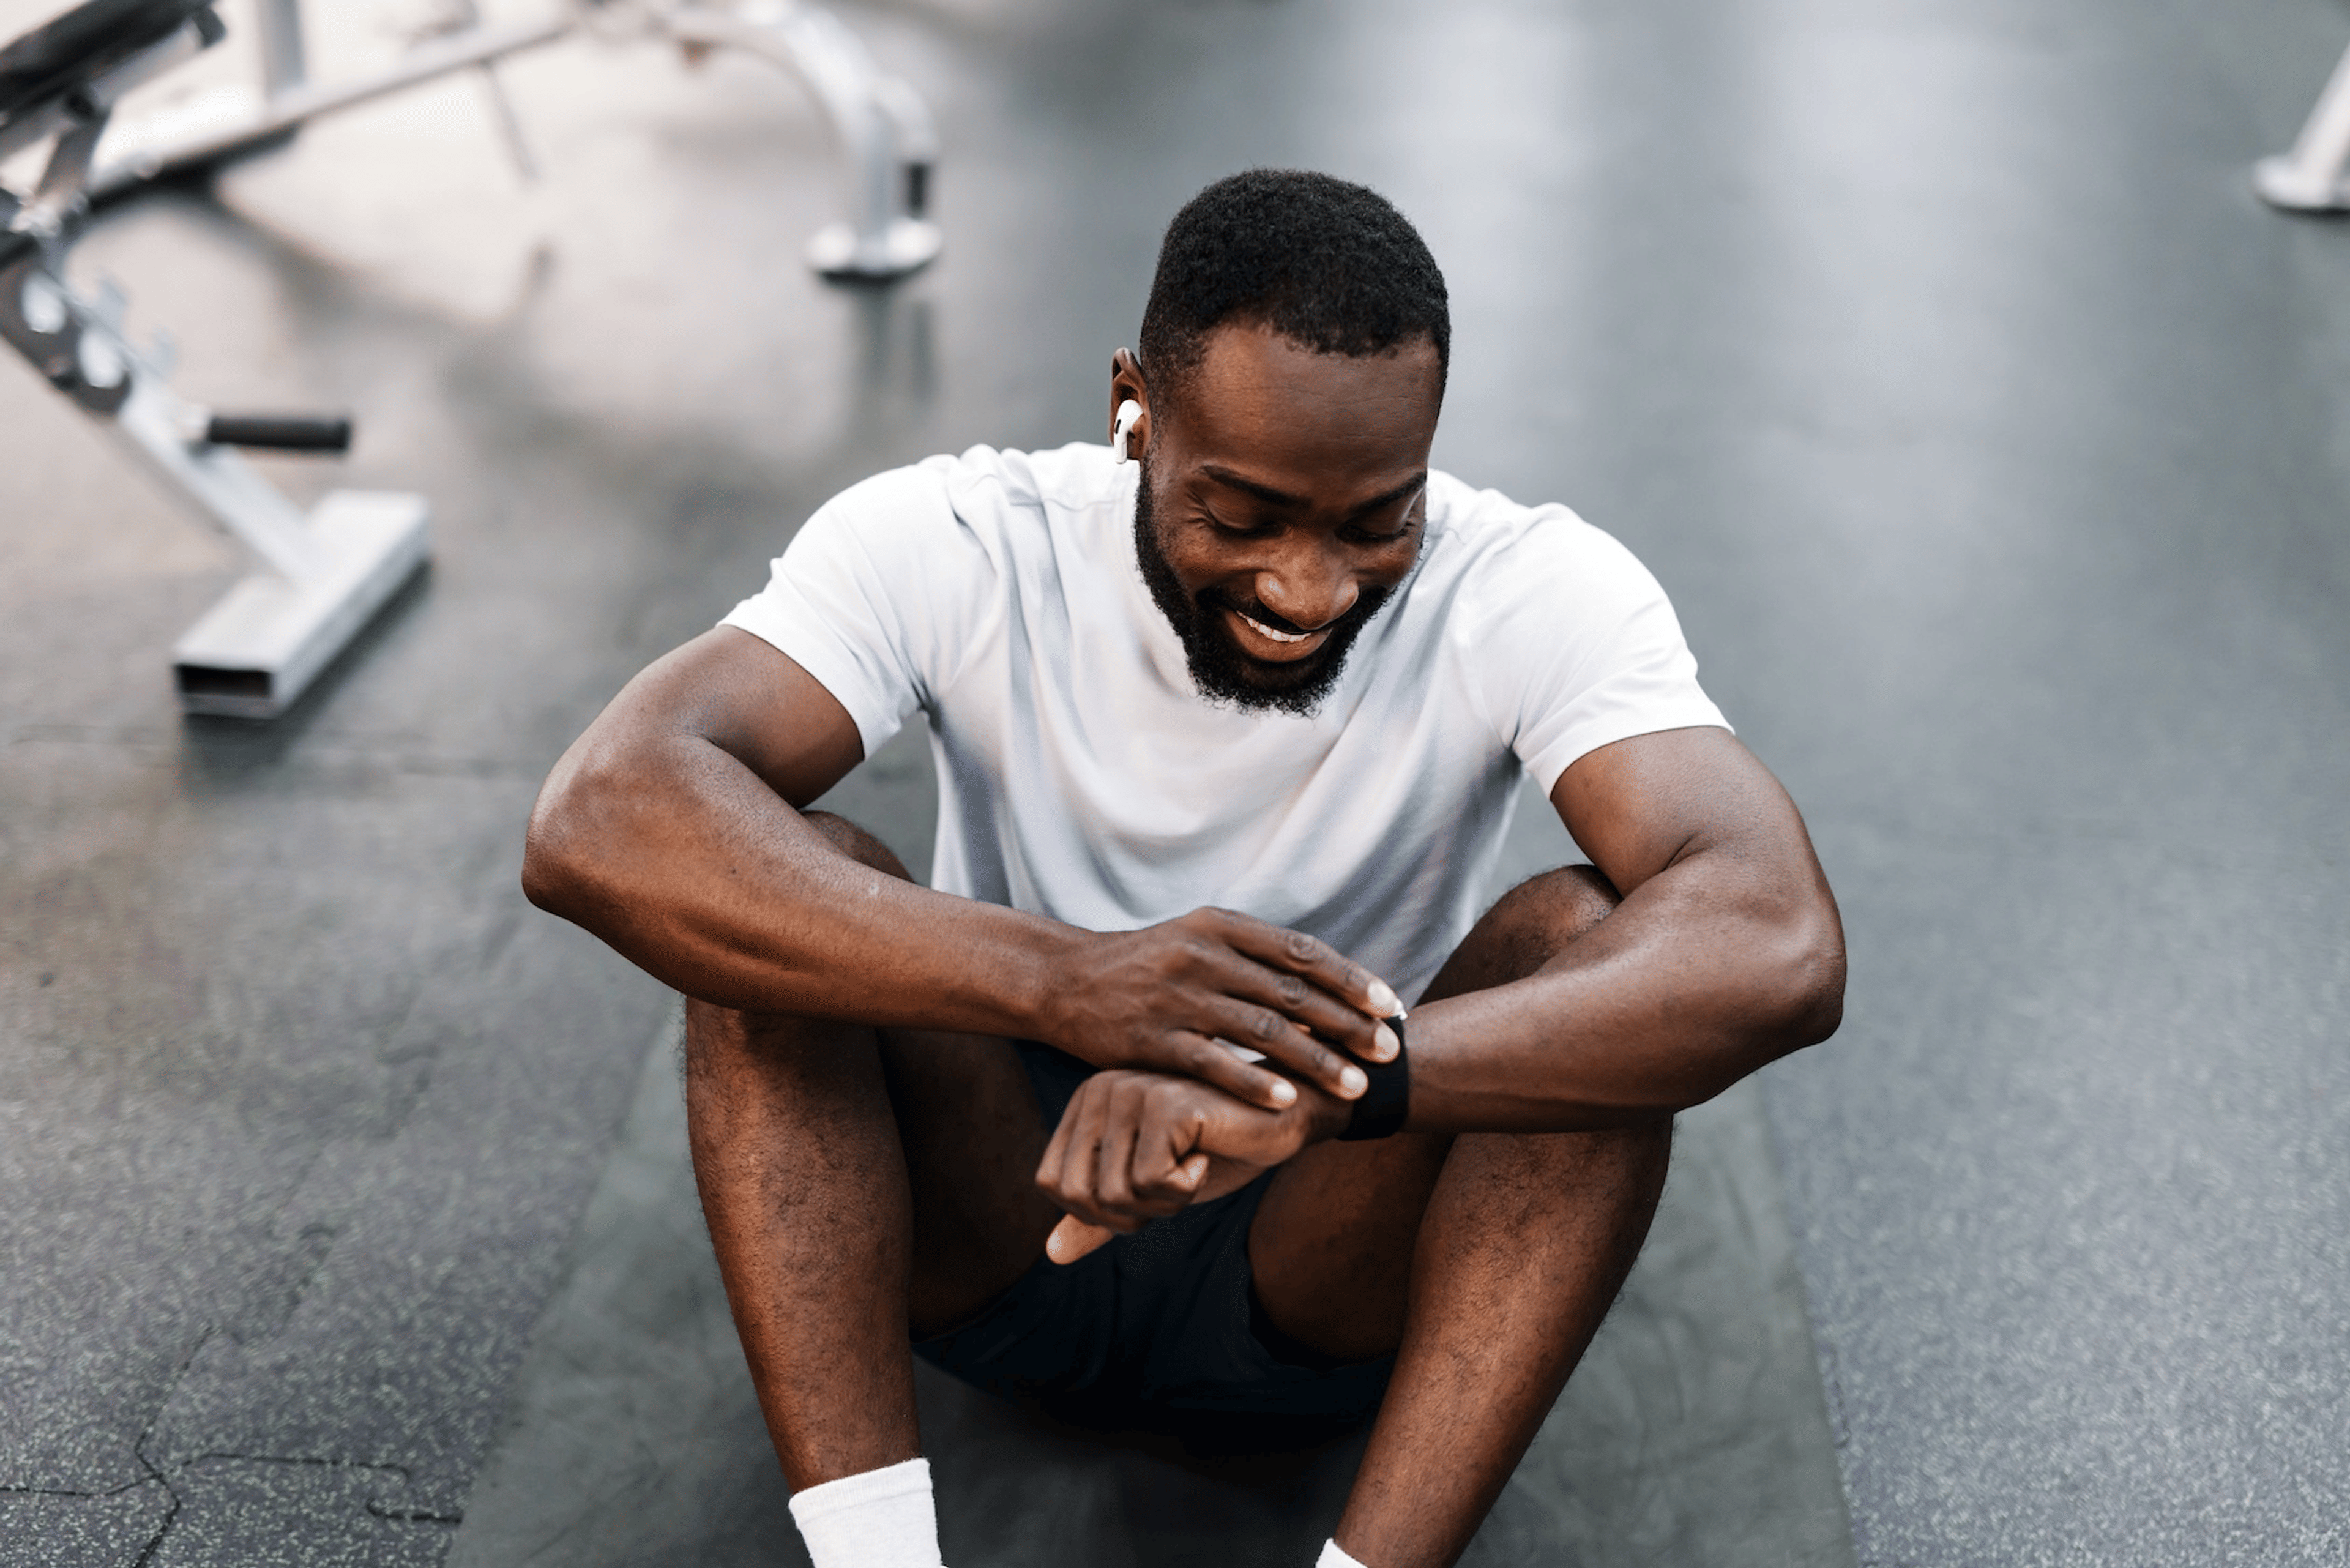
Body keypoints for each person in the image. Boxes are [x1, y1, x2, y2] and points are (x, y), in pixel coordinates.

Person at [521, 168, 1845, 1568]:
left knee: (1587, 947)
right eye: (1245, 514)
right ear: (1130, 409)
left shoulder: (1530, 588)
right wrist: (1068, 983)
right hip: (1003, 1212)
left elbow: (1775, 939)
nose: (1309, 586)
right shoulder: (964, 541)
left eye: (1373, 522)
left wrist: (1345, 1085)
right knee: (790, 885)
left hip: (1325, 1250)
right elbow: (604, 813)